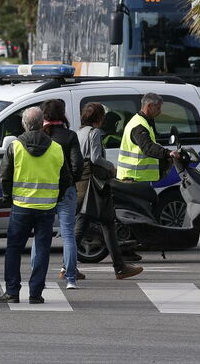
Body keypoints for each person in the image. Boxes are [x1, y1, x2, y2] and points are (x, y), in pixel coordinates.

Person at [0, 106, 73, 304]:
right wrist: (56, 197)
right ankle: (35, 293)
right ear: (42, 123)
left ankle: (12, 292)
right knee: (42, 250)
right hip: (46, 207)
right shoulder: (56, 148)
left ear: (24, 124)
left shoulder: (15, 146)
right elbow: (66, 179)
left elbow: (4, 176)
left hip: (21, 205)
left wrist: (7, 197)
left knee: (13, 249)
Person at [74, 103, 143, 280]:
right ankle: (119, 267)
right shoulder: (94, 132)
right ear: (99, 118)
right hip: (95, 182)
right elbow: (96, 158)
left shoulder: (79, 132)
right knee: (106, 222)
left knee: (83, 221)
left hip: (82, 181)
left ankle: (67, 266)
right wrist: (111, 167)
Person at [41, 99, 85, 289]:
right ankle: (70, 278)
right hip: (66, 190)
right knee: (68, 234)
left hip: (43, 190)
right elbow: (78, 165)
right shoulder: (69, 136)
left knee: (41, 235)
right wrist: (70, 181)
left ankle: (38, 277)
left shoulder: (40, 136)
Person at [116, 93, 179, 182]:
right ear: (149, 106)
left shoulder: (143, 122)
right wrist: (168, 153)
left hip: (137, 178)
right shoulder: (139, 125)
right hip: (134, 178)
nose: (160, 112)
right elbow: (148, 147)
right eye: (158, 108)